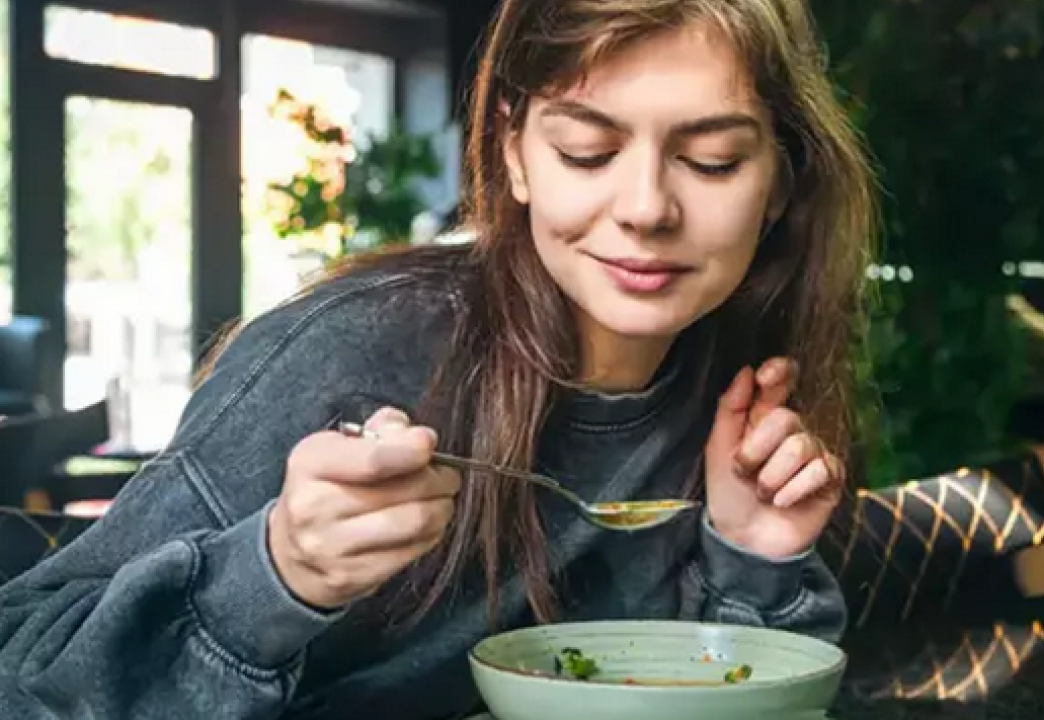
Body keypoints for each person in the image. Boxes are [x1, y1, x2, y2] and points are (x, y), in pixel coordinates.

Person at [0, 0, 874, 717]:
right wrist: (276, 572)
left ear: (781, 183)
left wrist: (751, 557)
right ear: (514, 152)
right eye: (587, 151)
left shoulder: (735, 382)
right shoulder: (353, 350)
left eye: (712, 162)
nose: (646, 207)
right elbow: (25, 671)